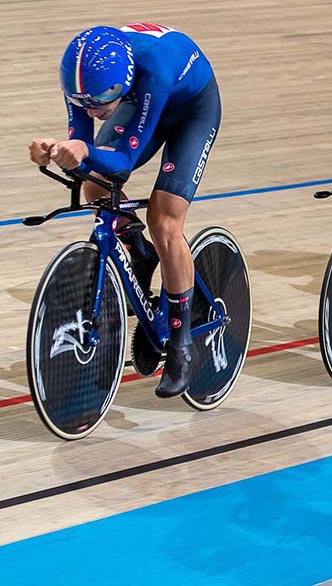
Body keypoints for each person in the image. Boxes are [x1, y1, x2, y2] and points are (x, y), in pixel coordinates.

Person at [27, 24, 221, 399]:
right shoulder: (86, 81)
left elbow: (124, 159)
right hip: (138, 99)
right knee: (94, 184)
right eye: (85, 102)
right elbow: (82, 145)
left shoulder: (153, 69)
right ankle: (138, 248)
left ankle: (180, 345)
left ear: (125, 79)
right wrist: (54, 151)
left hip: (191, 109)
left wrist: (82, 152)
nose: (95, 110)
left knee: (164, 219)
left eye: (103, 100)